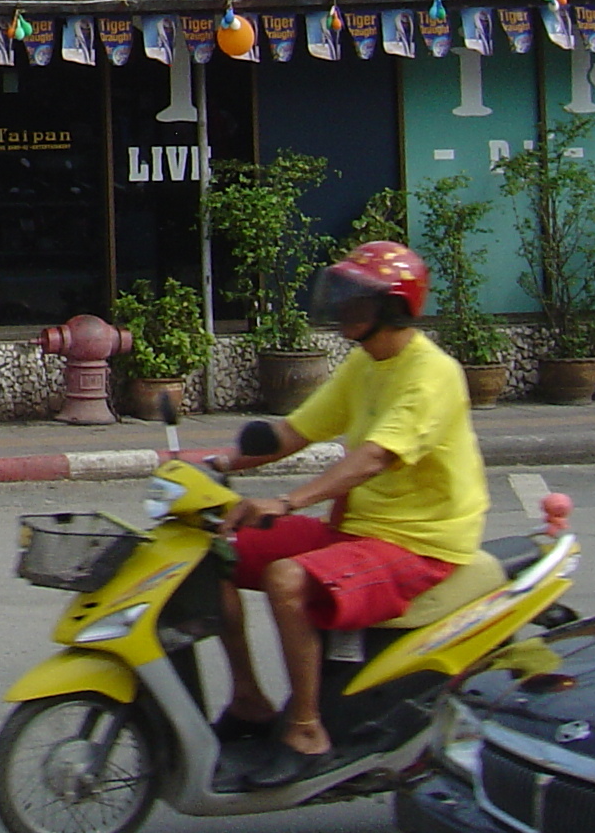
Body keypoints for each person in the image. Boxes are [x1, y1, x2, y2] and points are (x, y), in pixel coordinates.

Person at [212, 240, 485, 788]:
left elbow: (374, 457)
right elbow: (293, 431)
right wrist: (217, 463)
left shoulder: (433, 374)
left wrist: (287, 501)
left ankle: (308, 730)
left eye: (356, 300)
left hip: (419, 544)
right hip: (358, 530)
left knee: (286, 581)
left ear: (392, 308)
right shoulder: (366, 365)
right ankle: (248, 700)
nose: (343, 309)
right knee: (213, 549)